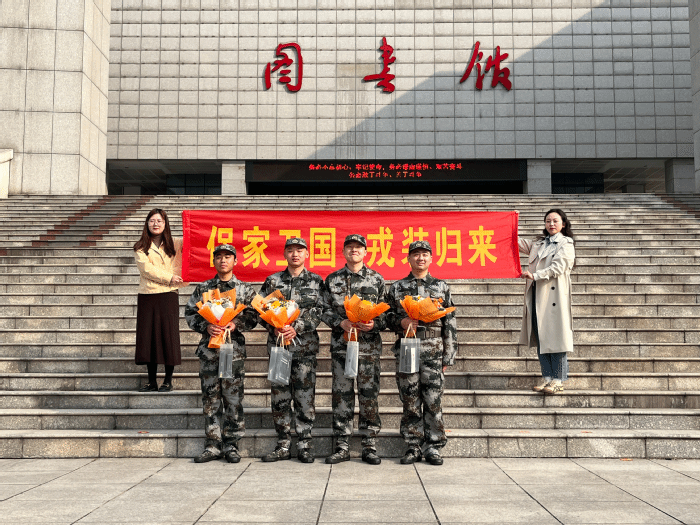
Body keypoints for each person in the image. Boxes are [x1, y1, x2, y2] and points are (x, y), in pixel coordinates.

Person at [184, 244, 258, 463]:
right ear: (214, 261)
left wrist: (236, 323)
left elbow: (255, 316)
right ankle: (213, 444)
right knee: (210, 399)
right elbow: (190, 313)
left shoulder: (245, 289)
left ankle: (232, 444)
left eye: (227, 257)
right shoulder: (204, 288)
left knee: (233, 399)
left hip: (233, 352)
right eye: (218, 257)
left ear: (235, 261)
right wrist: (205, 326)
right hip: (209, 352)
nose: (223, 260)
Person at [386, 241, 457, 466]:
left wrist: (448, 354)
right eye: (416, 254)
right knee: (410, 399)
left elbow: (450, 321)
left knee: (433, 400)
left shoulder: (441, 286)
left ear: (431, 258)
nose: (420, 258)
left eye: (425, 254)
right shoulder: (397, 287)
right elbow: (386, 317)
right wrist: (401, 321)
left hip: (433, 349)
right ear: (408, 258)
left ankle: (434, 446)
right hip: (407, 347)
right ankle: (413, 445)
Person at [259, 238, 329, 464]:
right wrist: (274, 325)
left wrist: (297, 326)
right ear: (284, 254)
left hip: (304, 349)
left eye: (299, 250)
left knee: (304, 397)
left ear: (307, 254)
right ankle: (282, 444)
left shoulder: (316, 281)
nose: (295, 254)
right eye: (290, 250)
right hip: (278, 347)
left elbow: (320, 311)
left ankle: (304, 444)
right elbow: (260, 309)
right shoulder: (273, 281)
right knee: (279, 396)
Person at [322, 234, 386, 465]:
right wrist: (340, 322)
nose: (354, 251)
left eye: (358, 247)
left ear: (366, 252)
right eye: (349, 247)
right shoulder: (332, 280)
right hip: (342, 347)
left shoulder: (377, 279)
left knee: (369, 395)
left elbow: (387, 313)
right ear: (343, 252)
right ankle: (342, 445)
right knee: (342, 395)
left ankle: (369, 445)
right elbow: (322, 309)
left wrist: (374, 324)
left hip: (368, 348)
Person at [519, 208, 576, 394]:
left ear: (563, 224)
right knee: (541, 338)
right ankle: (547, 378)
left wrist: (535, 275)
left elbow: (558, 267)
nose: (551, 224)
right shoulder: (539, 244)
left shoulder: (566, 243)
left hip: (554, 298)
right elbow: (516, 242)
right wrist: (506, 225)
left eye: (555, 221)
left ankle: (558, 380)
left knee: (556, 339)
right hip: (537, 296)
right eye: (548, 221)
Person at [133, 208, 185, 393]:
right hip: (148, 295)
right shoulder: (140, 247)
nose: (156, 224)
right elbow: (147, 270)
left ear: (165, 224)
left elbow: (194, 243)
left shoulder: (175, 243)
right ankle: (151, 381)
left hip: (169, 294)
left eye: (159, 221)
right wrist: (169, 277)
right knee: (149, 337)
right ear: (147, 224)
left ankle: (168, 380)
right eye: (152, 221)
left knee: (168, 336)